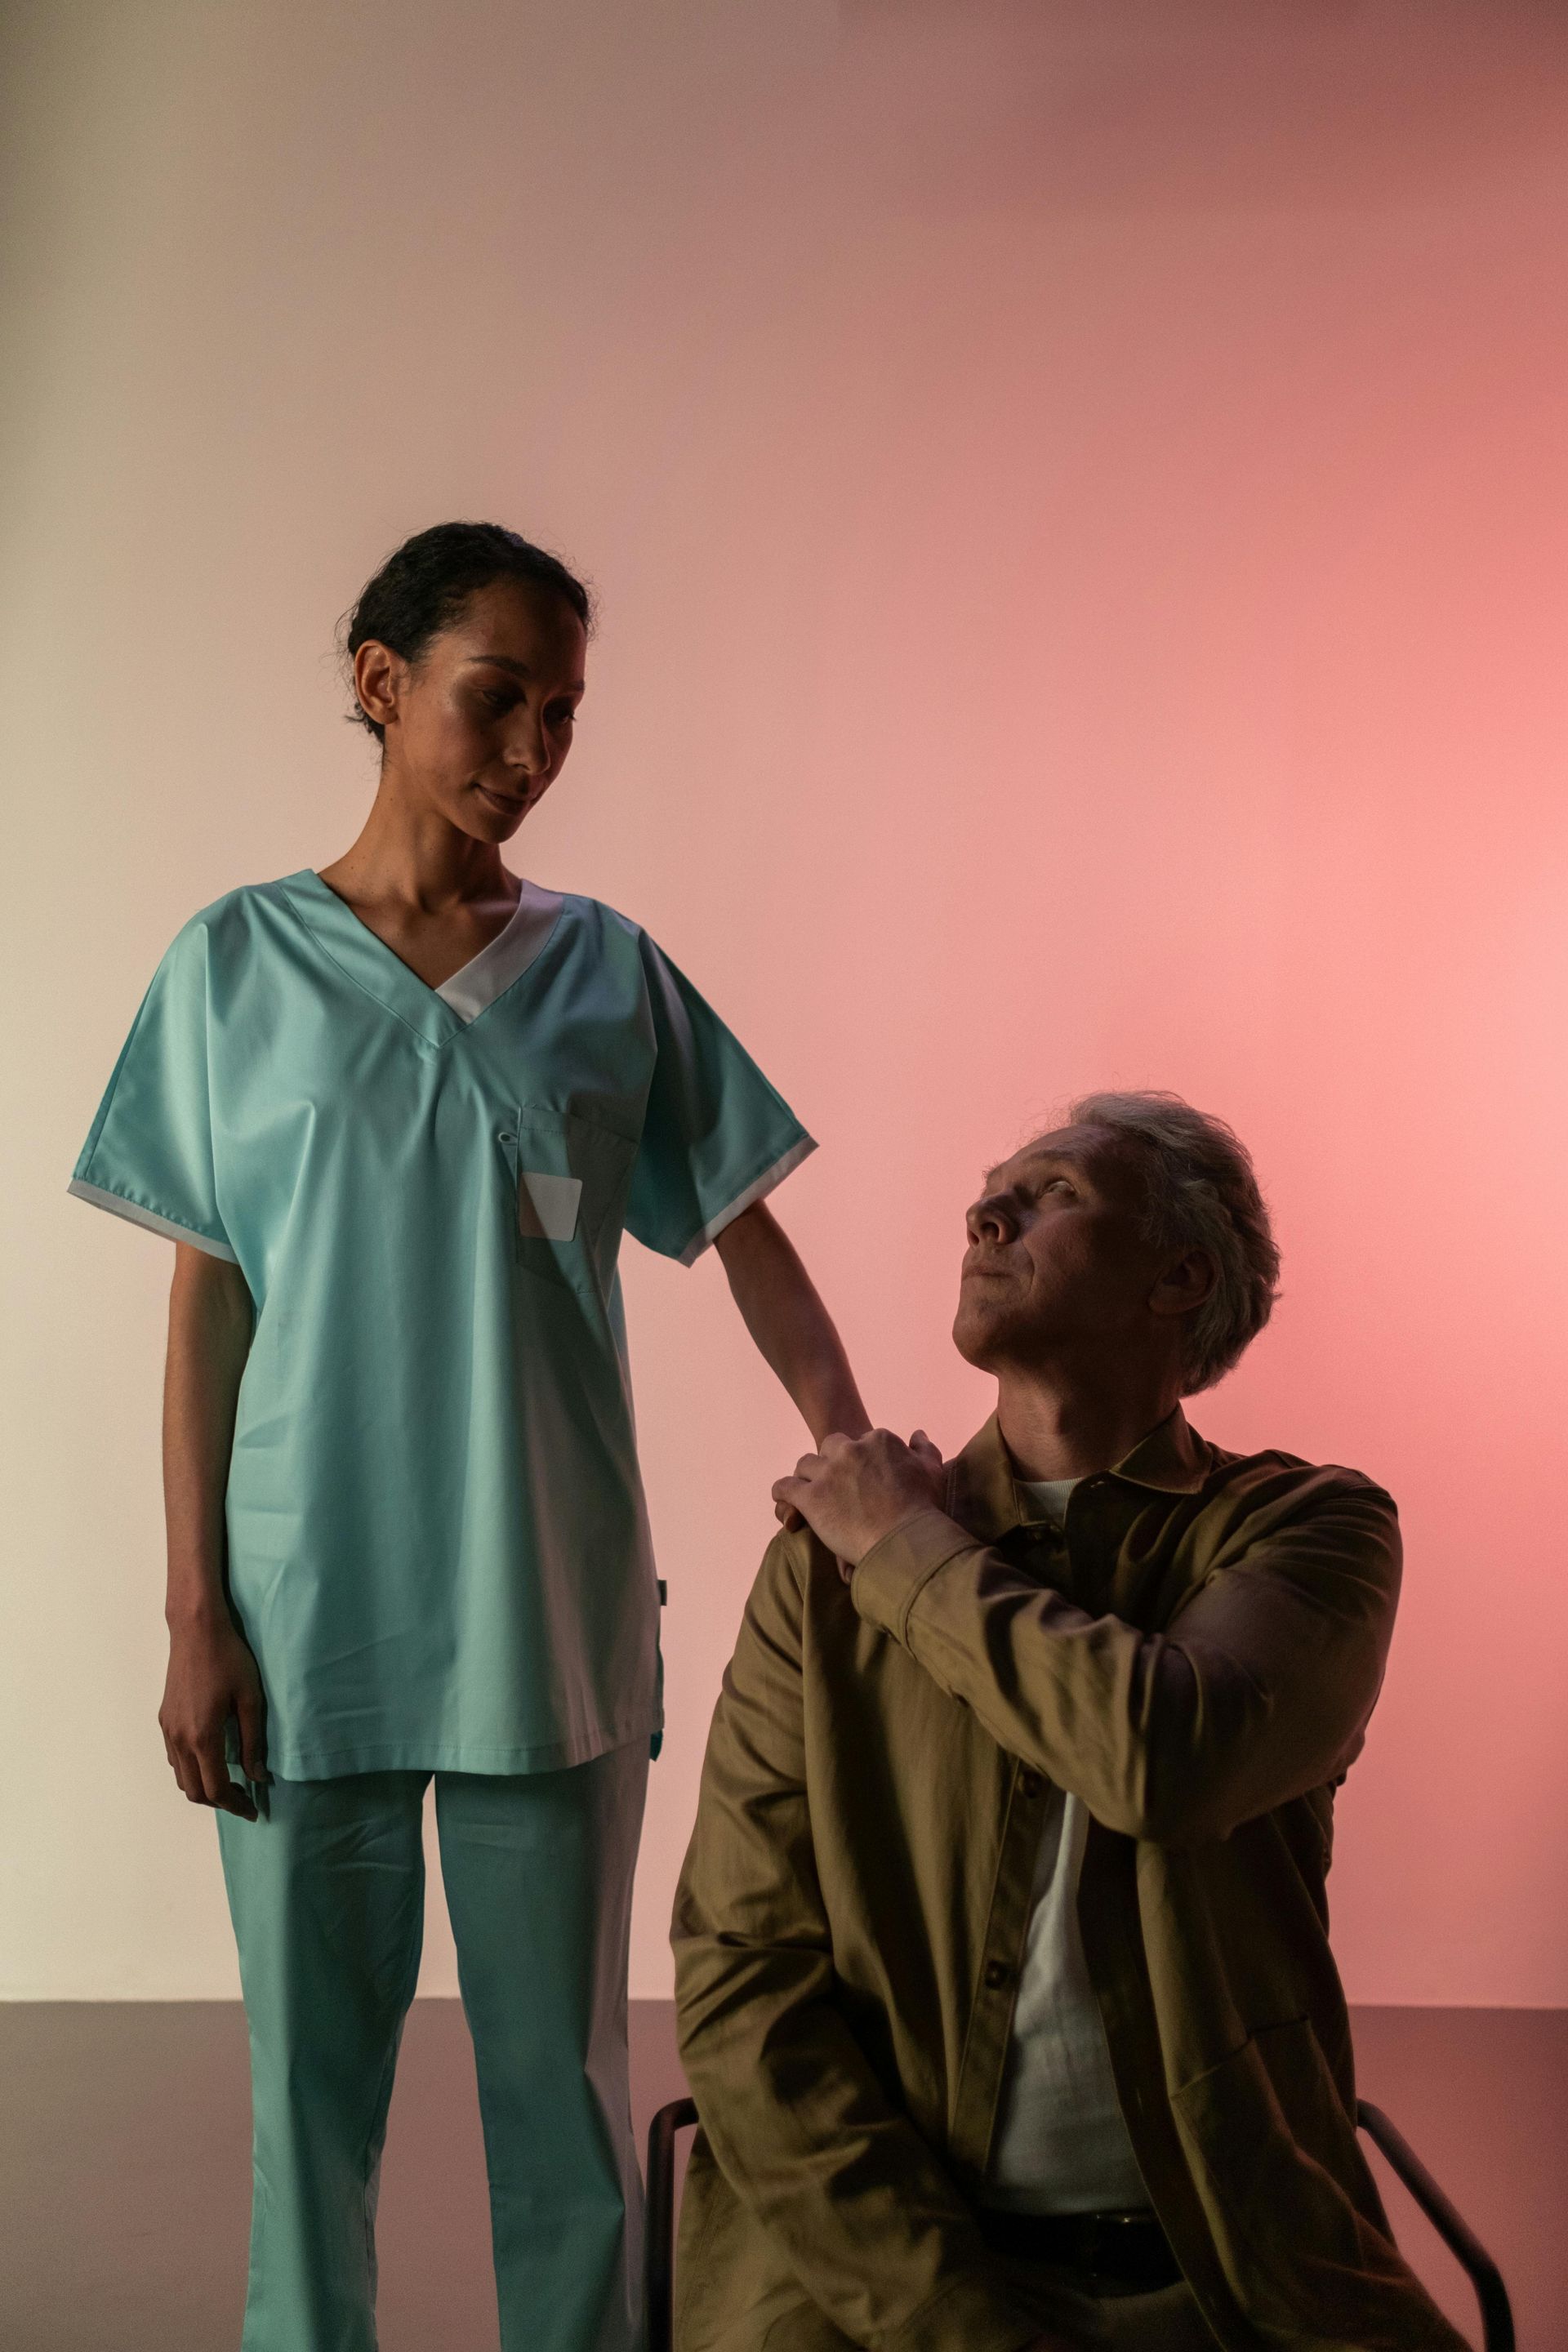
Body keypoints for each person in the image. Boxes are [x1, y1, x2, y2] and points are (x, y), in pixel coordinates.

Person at [69, 520, 868, 2352]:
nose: (533, 748)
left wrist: (855, 1454)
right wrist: (197, 1610)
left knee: (567, 2102)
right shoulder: (235, 967)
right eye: (496, 698)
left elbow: (747, 1231)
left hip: (549, 1603)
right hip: (303, 1611)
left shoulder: (608, 973)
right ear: (381, 687)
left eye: (565, 712)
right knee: (310, 2100)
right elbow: (212, 1302)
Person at [671, 1092, 1468, 2352]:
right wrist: (958, 2323)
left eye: (1054, 1192)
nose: (988, 1212)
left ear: (1182, 1275)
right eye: (993, 1190)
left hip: (1223, 2283)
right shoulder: (823, 1574)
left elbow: (1166, 1757)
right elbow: (739, 1982)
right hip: (874, 2299)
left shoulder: (1311, 1529)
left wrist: (906, 1544)